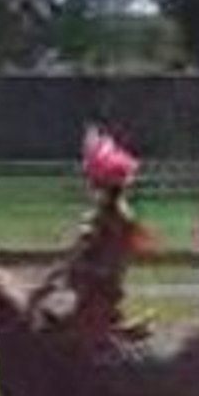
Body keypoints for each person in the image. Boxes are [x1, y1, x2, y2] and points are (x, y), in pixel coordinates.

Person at [27, 126, 156, 356]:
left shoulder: (113, 219)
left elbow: (103, 263)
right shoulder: (108, 216)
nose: (91, 188)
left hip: (96, 296)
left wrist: (68, 275)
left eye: (94, 183)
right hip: (88, 292)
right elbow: (79, 255)